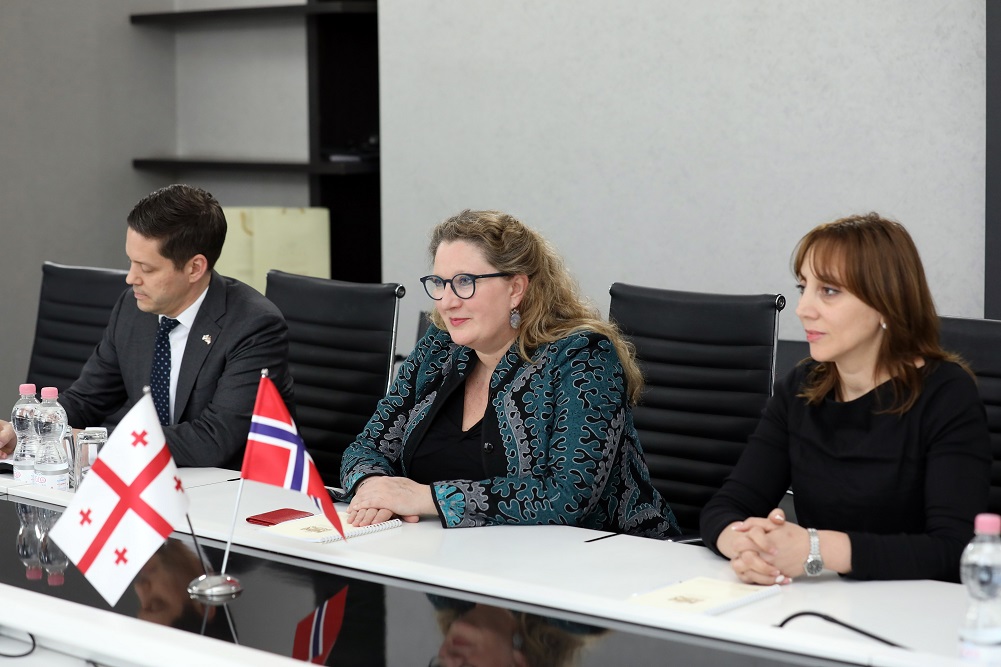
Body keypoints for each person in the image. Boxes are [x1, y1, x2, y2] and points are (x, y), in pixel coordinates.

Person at [340, 209, 679, 537]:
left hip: (604, 561)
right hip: (458, 558)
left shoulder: (583, 356)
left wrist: (425, 498)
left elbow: (568, 495)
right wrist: (374, 488)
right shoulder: (440, 345)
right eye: (440, 283)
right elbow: (366, 447)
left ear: (516, 288)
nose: (446, 301)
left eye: (464, 282)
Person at [700, 213, 991, 584]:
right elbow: (728, 506)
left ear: (885, 303)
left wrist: (817, 550)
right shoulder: (801, 387)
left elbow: (955, 549)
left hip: (919, 608)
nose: (803, 309)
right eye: (803, 287)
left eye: (829, 291)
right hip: (822, 602)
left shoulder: (946, 394)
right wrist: (745, 545)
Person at [0, 184, 294, 469]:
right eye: (131, 262)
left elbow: (213, 441)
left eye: (147, 268)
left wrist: (92, 442)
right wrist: (26, 431)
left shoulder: (254, 326)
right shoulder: (133, 307)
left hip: (230, 488)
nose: (131, 278)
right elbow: (88, 398)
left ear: (194, 268)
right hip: (150, 480)